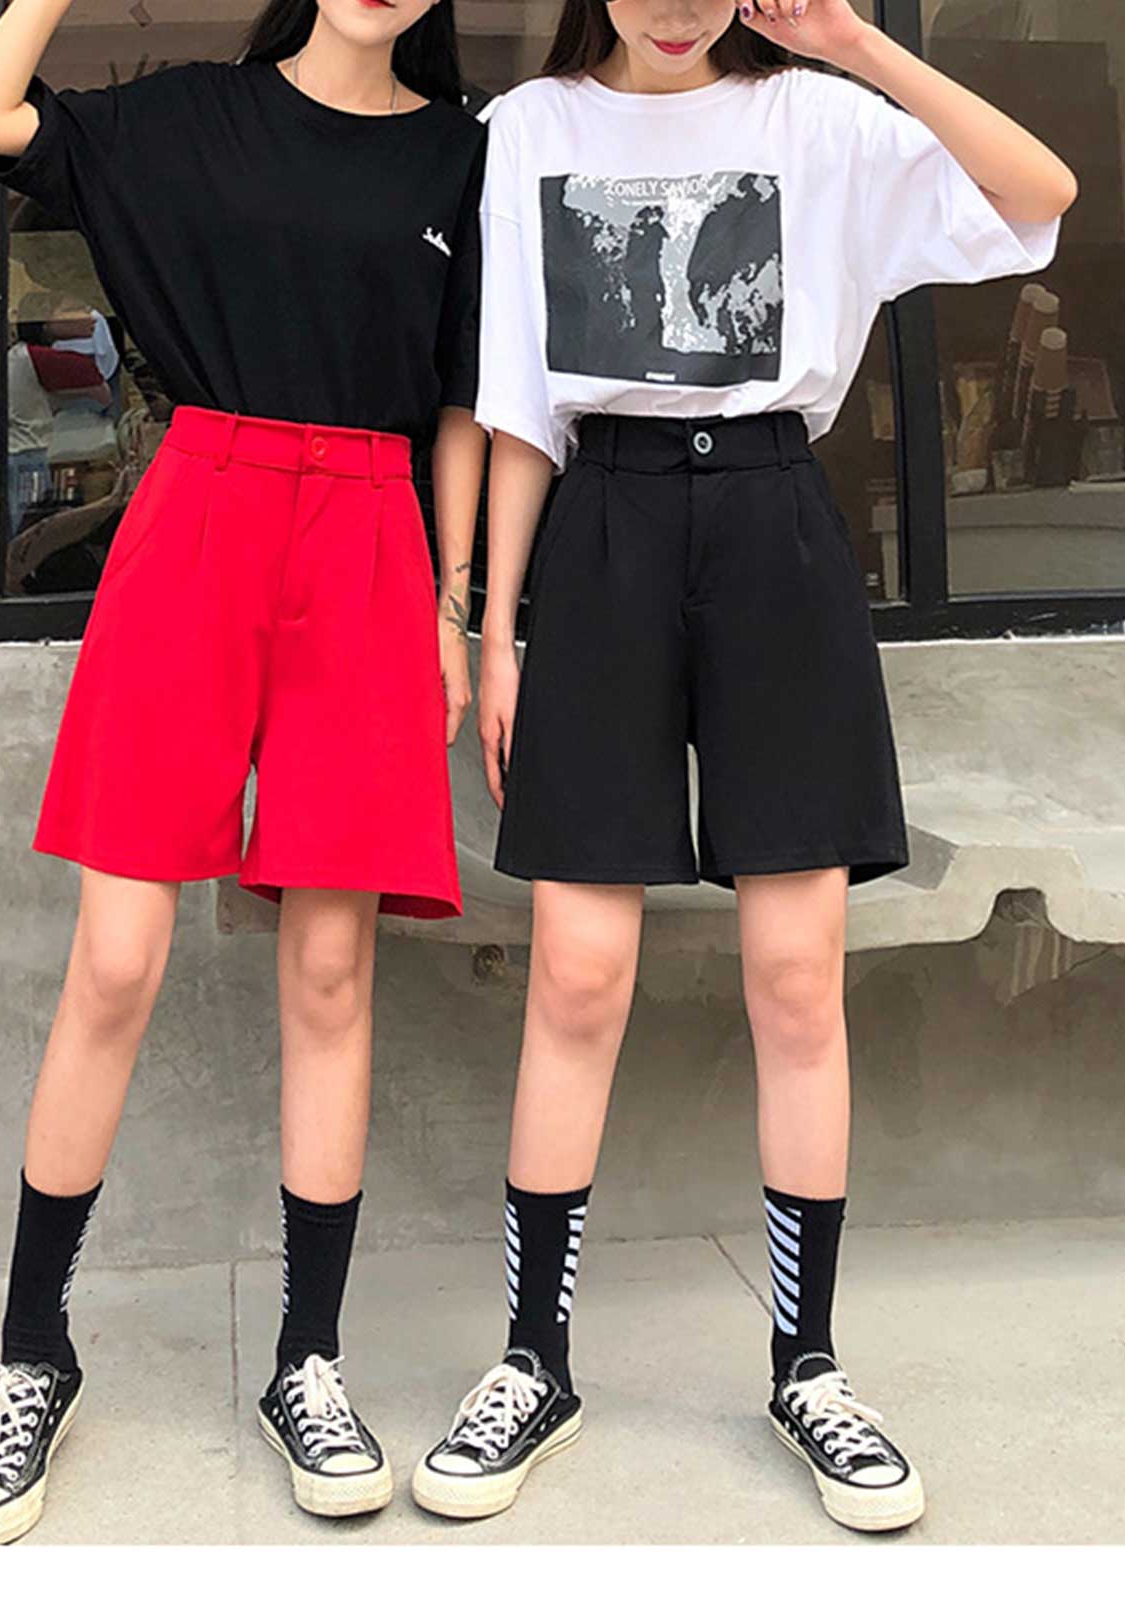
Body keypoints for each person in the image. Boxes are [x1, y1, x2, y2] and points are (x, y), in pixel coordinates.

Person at [411, 0, 1074, 1533]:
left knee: (795, 974)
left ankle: (807, 1365)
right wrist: (497, 629)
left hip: (776, 523)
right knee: (578, 972)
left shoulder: (822, 121)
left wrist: (861, 47)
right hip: (603, 534)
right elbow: (517, 400)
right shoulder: (529, 132)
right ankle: (533, 1362)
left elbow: (1039, 193)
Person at [0, 0, 486, 1543]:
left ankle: (309, 1360)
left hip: (371, 536)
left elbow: (462, 396)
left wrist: (455, 605)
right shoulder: (186, 116)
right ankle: (31, 1353)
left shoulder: (465, 155)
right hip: (201, 512)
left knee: (332, 969)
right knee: (117, 955)